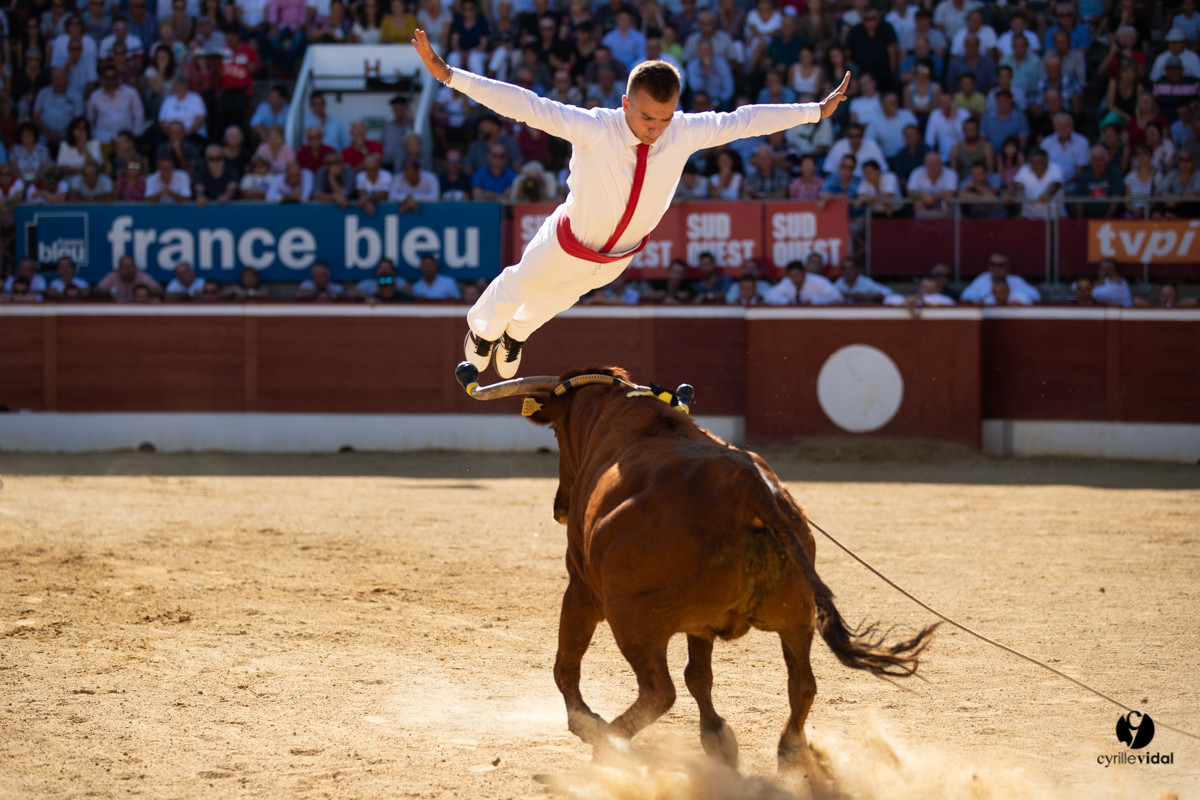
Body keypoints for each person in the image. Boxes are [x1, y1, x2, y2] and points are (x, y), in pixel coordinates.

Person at [413, 28, 849, 377]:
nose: (656, 128)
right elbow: (527, 105)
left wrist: (814, 110)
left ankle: (515, 336)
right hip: (565, 242)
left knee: (559, 300)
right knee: (522, 284)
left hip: (617, 257)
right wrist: (451, 75)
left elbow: (747, 120)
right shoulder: (594, 126)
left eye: (664, 117)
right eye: (646, 117)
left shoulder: (684, 130)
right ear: (625, 104)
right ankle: (483, 332)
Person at [959, 251, 1040, 305]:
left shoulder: (1016, 281)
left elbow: (1035, 296)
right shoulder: (982, 279)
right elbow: (965, 296)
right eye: (992, 264)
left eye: (1000, 265)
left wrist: (1020, 301)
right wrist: (978, 301)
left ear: (1007, 267)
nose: (996, 268)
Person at [763, 260, 843, 305]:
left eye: (797, 275)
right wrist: (786, 302)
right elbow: (769, 297)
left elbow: (837, 297)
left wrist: (814, 301)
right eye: (791, 276)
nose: (795, 279)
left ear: (804, 272)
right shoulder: (787, 282)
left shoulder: (818, 281)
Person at [96, 254, 163, 301]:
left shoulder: (142, 277)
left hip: (139, 308)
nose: (128, 271)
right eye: (125, 268)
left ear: (135, 268)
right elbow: (98, 290)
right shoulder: (112, 277)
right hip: (117, 309)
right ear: (119, 269)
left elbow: (158, 289)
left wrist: (145, 292)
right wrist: (112, 291)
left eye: (130, 267)